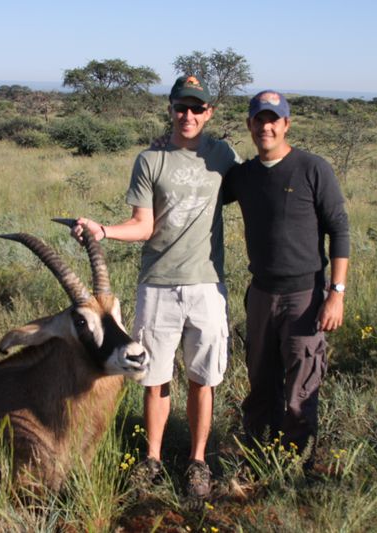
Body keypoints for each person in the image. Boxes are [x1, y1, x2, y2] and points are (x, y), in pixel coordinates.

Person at [71, 75, 239, 498]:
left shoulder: (223, 156)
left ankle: (198, 462)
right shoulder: (150, 160)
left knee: (203, 378)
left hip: (207, 284)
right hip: (158, 285)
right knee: (154, 378)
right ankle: (153, 459)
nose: (188, 115)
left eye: (196, 108)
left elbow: (255, 191)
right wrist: (103, 230)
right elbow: (143, 225)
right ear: (171, 109)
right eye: (181, 107)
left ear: (209, 113)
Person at [222, 90, 350, 464]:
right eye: (259, 120)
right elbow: (201, 191)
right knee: (260, 385)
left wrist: (336, 293)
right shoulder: (244, 176)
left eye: (273, 120)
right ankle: (258, 459)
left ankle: (297, 467)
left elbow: (339, 230)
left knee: (301, 391)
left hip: (304, 297)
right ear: (249, 125)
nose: (266, 127)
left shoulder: (312, 168)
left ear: (286, 124)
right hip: (261, 294)